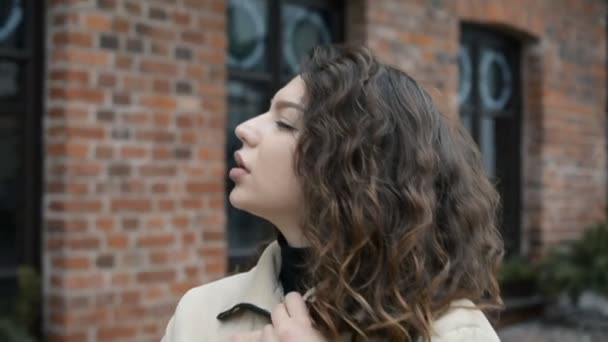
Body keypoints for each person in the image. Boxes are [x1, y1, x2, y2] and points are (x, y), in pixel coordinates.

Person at [161, 44, 503, 342]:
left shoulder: (452, 331)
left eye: (285, 123)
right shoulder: (199, 312)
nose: (244, 127)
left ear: (358, 168)